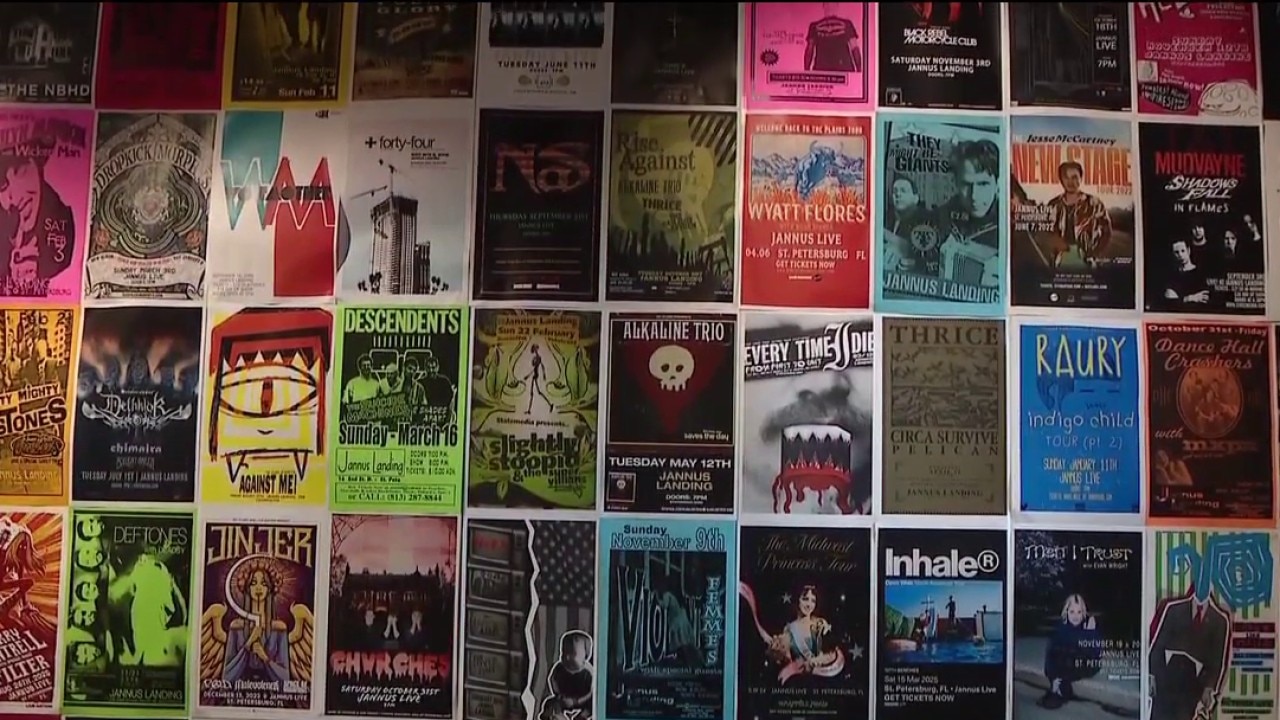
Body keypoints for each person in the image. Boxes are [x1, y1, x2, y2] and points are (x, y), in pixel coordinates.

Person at [0, 138, 75, 296]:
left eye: (20, 170)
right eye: (2, 185)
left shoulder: (63, 223)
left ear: (37, 166)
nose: (16, 196)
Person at [1148, 587, 1230, 720]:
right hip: (1166, 678)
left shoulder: (1219, 620)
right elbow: (1158, 644)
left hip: (1193, 684)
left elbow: (1217, 662)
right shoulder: (1174, 609)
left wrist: (1208, 687)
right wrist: (1151, 674)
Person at [1038, 594, 1102, 709]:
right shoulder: (1062, 627)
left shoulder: (1088, 626)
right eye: (1072, 612)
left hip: (1086, 663)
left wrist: (1090, 632)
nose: (1076, 616)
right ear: (1066, 612)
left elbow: (1094, 652)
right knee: (1059, 653)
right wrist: (1052, 675)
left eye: (1079, 612)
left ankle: (1058, 691)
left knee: (1070, 654)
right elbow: (1052, 651)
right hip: (1065, 663)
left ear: (1083, 613)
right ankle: (1057, 688)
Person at [1046, 161, 1112, 270]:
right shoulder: (1053, 204)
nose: (1070, 182)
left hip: (1086, 259)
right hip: (1060, 258)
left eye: (1074, 177)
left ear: (1081, 178)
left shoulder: (1093, 203)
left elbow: (1107, 231)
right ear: (1061, 180)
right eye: (1066, 177)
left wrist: (1094, 252)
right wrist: (1055, 243)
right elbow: (1046, 231)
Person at [540, 630, 594, 720]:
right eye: (564, 653)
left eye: (573, 654)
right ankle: (558, 716)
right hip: (564, 699)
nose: (567, 657)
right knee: (550, 703)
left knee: (592, 705)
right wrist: (559, 696)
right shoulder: (560, 668)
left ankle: (581, 717)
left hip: (582, 700)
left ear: (586, 656)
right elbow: (552, 680)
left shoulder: (588, 672)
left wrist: (576, 701)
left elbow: (591, 692)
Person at [804, 3, 862, 72]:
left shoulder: (814, 26)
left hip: (822, 69)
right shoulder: (847, 24)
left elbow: (809, 50)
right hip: (843, 69)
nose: (830, 6)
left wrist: (806, 71)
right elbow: (855, 49)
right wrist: (859, 70)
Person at [1163, 239, 1210, 305]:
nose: (1180, 255)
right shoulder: (1172, 276)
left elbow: (1204, 298)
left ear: (1188, 251)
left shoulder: (1200, 273)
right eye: (1176, 252)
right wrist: (1190, 298)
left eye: (1183, 251)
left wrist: (1181, 299)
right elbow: (1170, 301)